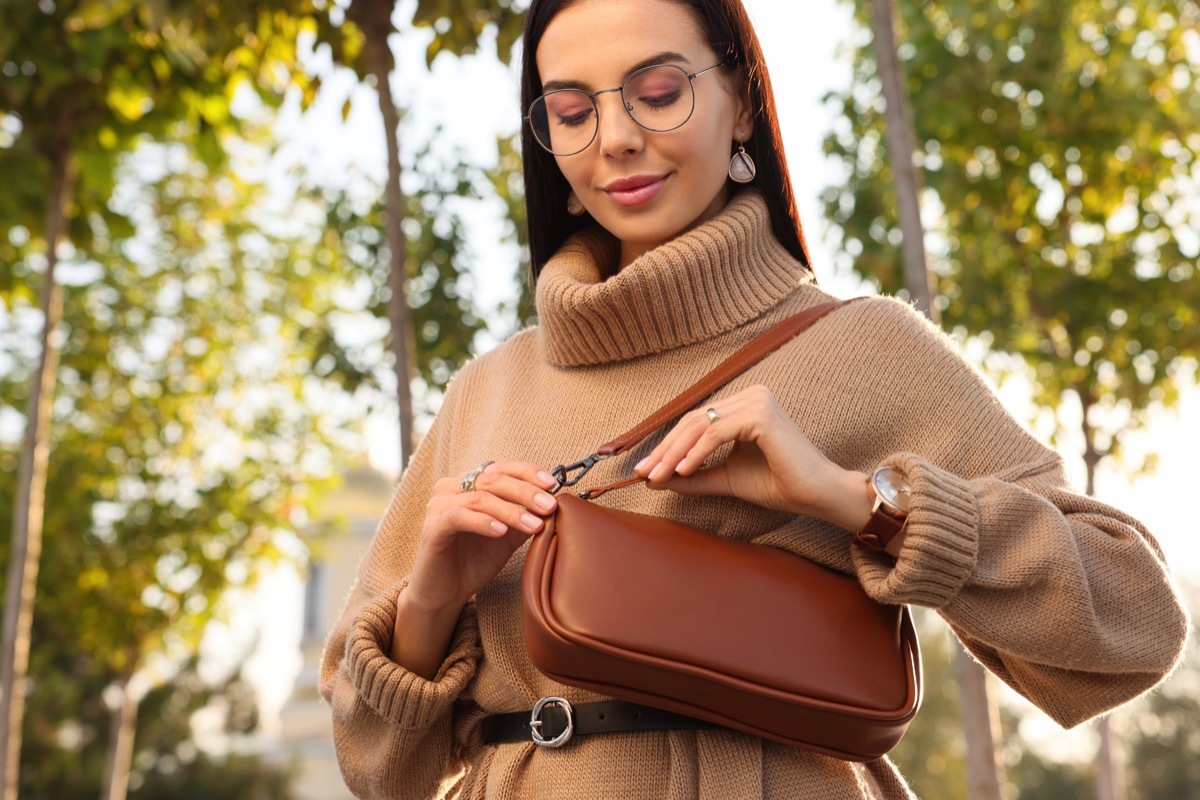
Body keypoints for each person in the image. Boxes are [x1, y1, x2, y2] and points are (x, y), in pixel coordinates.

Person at [319, 1, 1190, 797]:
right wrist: (429, 603)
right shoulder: (488, 388)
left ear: (741, 101)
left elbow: (1136, 621)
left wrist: (861, 505)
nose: (615, 137)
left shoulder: (864, 347)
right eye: (573, 111)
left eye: (658, 92)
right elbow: (377, 768)